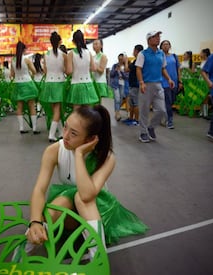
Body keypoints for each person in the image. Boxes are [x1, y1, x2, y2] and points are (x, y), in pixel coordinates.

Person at [12, 105, 148, 262]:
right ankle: (25, 248)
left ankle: (98, 259)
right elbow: (39, 189)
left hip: (97, 210)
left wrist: (79, 154)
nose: (65, 135)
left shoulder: (107, 158)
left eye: (73, 133)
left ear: (90, 139)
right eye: (66, 127)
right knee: (59, 203)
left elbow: (87, 194)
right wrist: (35, 220)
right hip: (71, 211)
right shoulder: (54, 150)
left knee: (79, 196)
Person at [135, 30, 175, 143]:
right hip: (146, 85)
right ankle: (143, 132)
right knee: (144, 110)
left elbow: (163, 68)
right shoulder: (142, 54)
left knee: (162, 110)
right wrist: (141, 82)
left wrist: (169, 79)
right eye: (155, 36)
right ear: (149, 40)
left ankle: (151, 127)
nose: (158, 38)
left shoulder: (161, 54)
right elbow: (138, 69)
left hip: (158, 84)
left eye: (159, 36)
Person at [41, 31, 67, 142]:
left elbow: (45, 71)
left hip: (48, 83)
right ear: (60, 41)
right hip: (59, 82)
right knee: (57, 110)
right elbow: (67, 70)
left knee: (55, 110)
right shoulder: (64, 55)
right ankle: (51, 134)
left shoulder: (46, 55)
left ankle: (60, 132)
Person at [11, 41, 40, 134]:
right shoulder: (27, 60)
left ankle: (21, 128)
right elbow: (34, 71)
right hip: (27, 83)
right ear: (24, 49)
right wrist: (29, 74)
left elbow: (12, 75)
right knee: (32, 106)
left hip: (18, 84)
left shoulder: (13, 60)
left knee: (19, 107)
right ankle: (34, 128)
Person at [66, 30, 99, 110]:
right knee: (88, 111)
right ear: (83, 40)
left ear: (73, 41)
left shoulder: (71, 53)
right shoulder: (89, 53)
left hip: (76, 84)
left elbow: (69, 71)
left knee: (76, 111)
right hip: (88, 84)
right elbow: (94, 68)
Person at [159, 40, 181, 129]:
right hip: (165, 82)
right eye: (164, 44)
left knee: (171, 101)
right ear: (161, 47)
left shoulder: (174, 56)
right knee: (168, 101)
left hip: (174, 82)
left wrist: (180, 81)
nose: (166, 46)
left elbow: (178, 69)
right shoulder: (160, 56)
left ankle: (163, 116)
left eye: (167, 44)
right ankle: (170, 121)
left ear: (170, 46)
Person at [126, 44, 144, 126]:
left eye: (134, 50)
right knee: (132, 103)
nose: (133, 52)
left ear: (137, 51)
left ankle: (136, 120)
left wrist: (126, 61)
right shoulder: (136, 60)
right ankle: (131, 118)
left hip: (135, 85)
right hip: (133, 84)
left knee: (136, 103)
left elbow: (127, 69)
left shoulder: (138, 61)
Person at [109, 53, 127, 121]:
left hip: (122, 84)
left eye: (121, 59)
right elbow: (111, 74)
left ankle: (117, 110)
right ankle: (117, 113)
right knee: (117, 99)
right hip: (115, 84)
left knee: (121, 99)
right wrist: (116, 70)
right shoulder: (114, 65)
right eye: (119, 58)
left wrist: (121, 72)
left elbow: (126, 77)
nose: (120, 60)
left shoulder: (125, 66)